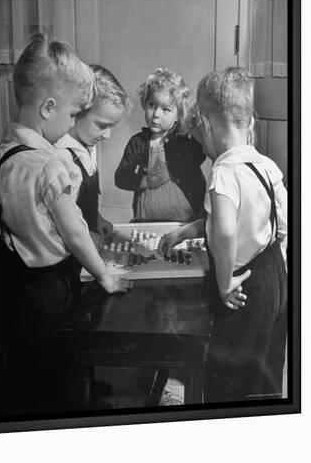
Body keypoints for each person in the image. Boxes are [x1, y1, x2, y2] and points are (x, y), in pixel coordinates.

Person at [0, 33, 133, 416]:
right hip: (51, 287)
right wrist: (104, 273)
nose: (73, 123)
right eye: (73, 115)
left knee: (29, 370)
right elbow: (73, 231)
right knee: (59, 372)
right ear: (48, 107)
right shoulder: (50, 163)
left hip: (16, 286)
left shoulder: (5, 151)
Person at [158, 67, 288, 403]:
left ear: (204, 122)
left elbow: (227, 229)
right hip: (273, 275)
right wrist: (187, 230)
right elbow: (278, 221)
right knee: (264, 367)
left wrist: (224, 279)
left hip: (241, 284)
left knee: (229, 377)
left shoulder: (223, 172)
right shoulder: (265, 164)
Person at [114, 68, 206, 221]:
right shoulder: (138, 143)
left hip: (184, 218)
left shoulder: (184, 140)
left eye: (165, 109)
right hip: (146, 217)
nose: (156, 114)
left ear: (178, 115)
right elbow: (121, 177)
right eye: (152, 105)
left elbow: (199, 155)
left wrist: (169, 171)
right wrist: (142, 181)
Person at [56, 64, 129, 250]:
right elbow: (55, 222)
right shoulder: (60, 156)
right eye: (102, 125)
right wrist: (86, 237)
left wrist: (96, 218)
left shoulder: (88, 146)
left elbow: (81, 202)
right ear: (78, 112)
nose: (107, 135)